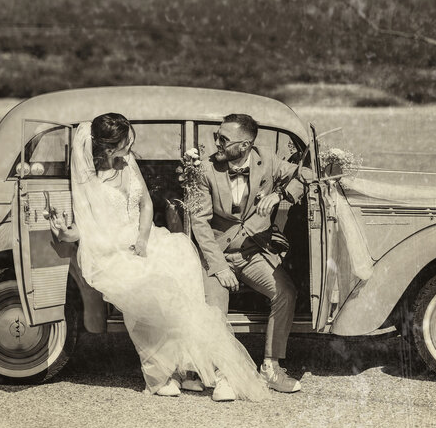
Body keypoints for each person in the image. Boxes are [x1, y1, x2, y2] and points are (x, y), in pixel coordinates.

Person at [49, 113, 268, 402]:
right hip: (112, 251)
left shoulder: (129, 161)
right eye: (126, 141)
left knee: (182, 266)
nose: (131, 145)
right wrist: (66, 234)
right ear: (109, 147)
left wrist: (142, 239)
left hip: (146, 238)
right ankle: (163, 373)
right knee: (154, 286)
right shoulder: (90, 177)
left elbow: (146, 204)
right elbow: (86, 225)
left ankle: (190, 369)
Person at [189, 114, 309, 393]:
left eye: (223, 139)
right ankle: (221, 374)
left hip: (253, 252)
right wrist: (219, 267)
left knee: (285, 293)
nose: (217, 143)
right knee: (215, 309)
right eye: (216, 136)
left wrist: (280, 195)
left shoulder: (266, 160)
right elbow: (200, 223)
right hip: (217, 254)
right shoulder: (206, 170)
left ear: (245, 145)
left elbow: (306, 174)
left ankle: (270, 368)